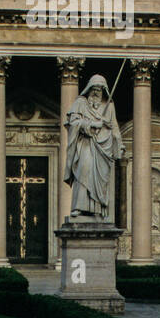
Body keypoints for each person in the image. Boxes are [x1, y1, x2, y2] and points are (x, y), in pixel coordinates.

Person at [63, 75, 124, 221]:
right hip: (85, 144)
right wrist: (90, 124)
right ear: (89, 89)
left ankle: (98, 210)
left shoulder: (109, 106)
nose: (96, 93)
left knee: (100, 179)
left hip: (103, 147)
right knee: (83, 169)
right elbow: (73, 122)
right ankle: (78, 207)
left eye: (100, 90)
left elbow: (114, 126)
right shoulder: (80, 103)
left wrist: (119, 144)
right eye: (94, 89)